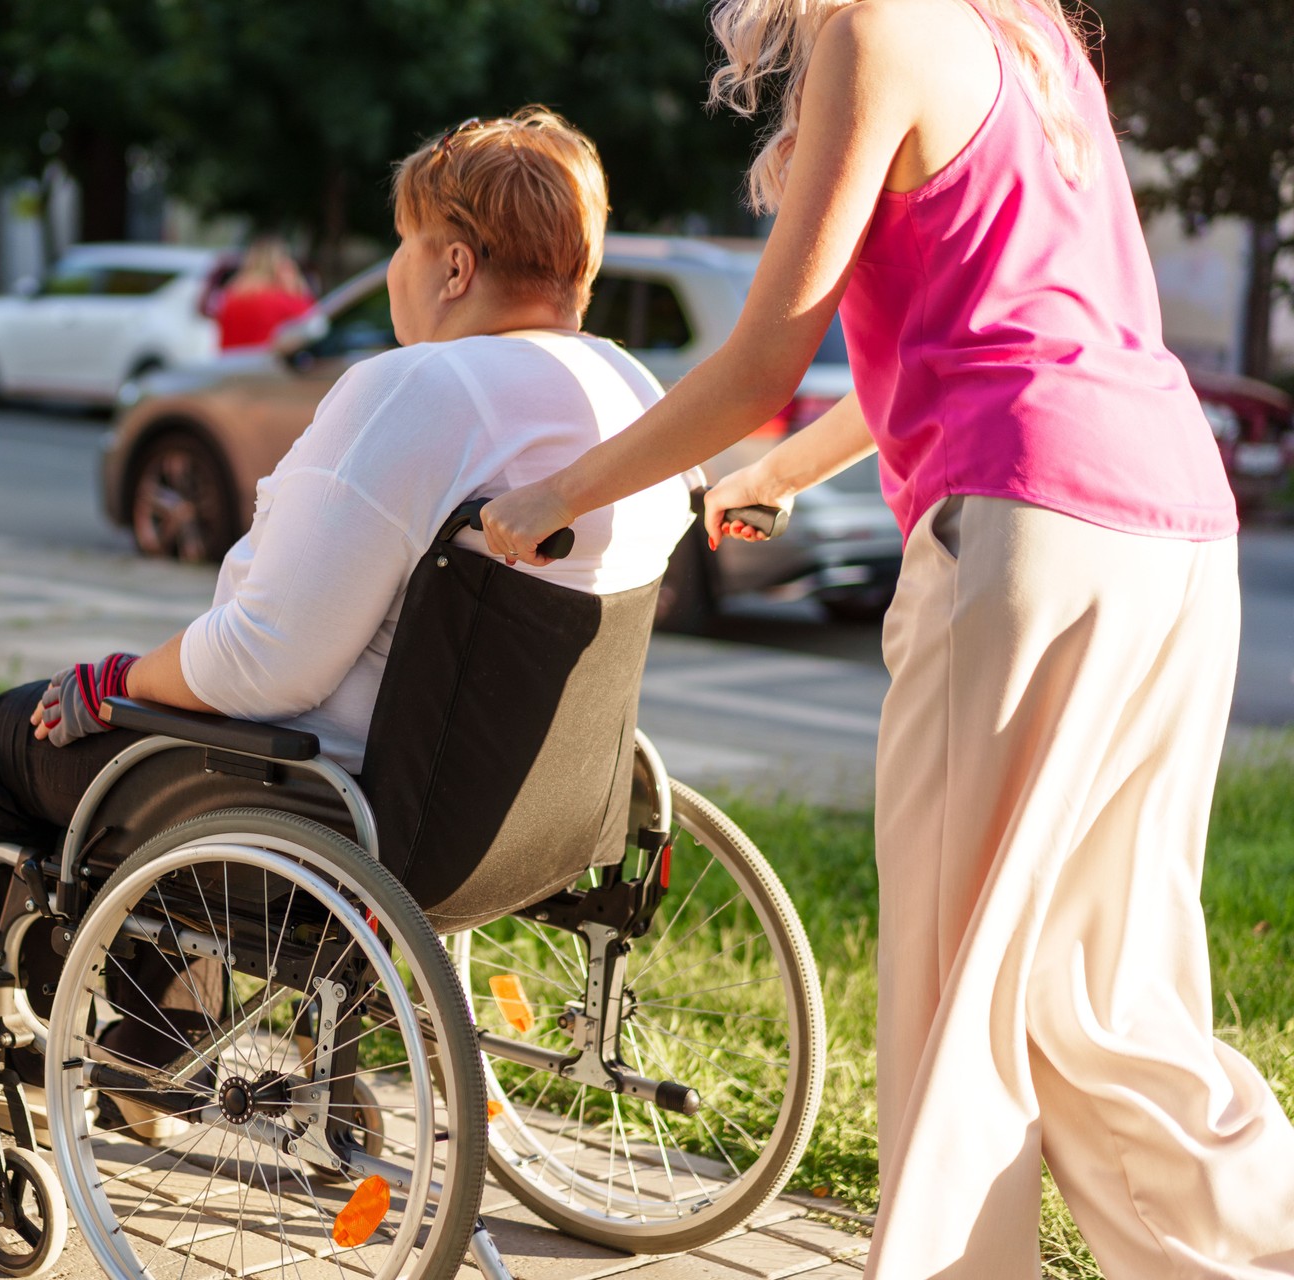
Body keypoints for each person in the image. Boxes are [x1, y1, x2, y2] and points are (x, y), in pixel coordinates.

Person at [481, 2, 1294, 1276]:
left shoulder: (877, 28)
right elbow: (980, 324)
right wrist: (783, 472)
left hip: (1031, 524)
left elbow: (760, 360)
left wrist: (554, 495)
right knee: (1105, 999)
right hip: (1174, 529)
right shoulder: (1029, 39)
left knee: (962, 995)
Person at [0, 107, 693, 1135]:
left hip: (339, 803)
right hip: (542, 814)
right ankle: (169, 1029)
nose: (395, 267)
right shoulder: (629, 392)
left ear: (454, 264)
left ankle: (46, 1038)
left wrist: (116, 677)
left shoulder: (423, 388)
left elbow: (263, 663)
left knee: (10, 736)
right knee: (168, 735)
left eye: (402, 242)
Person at [213, 237, 315, 350]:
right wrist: (295, 286)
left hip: (228, 364)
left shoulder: (231, 295)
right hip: (264, 365)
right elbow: (315, 324)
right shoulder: (283, 300)